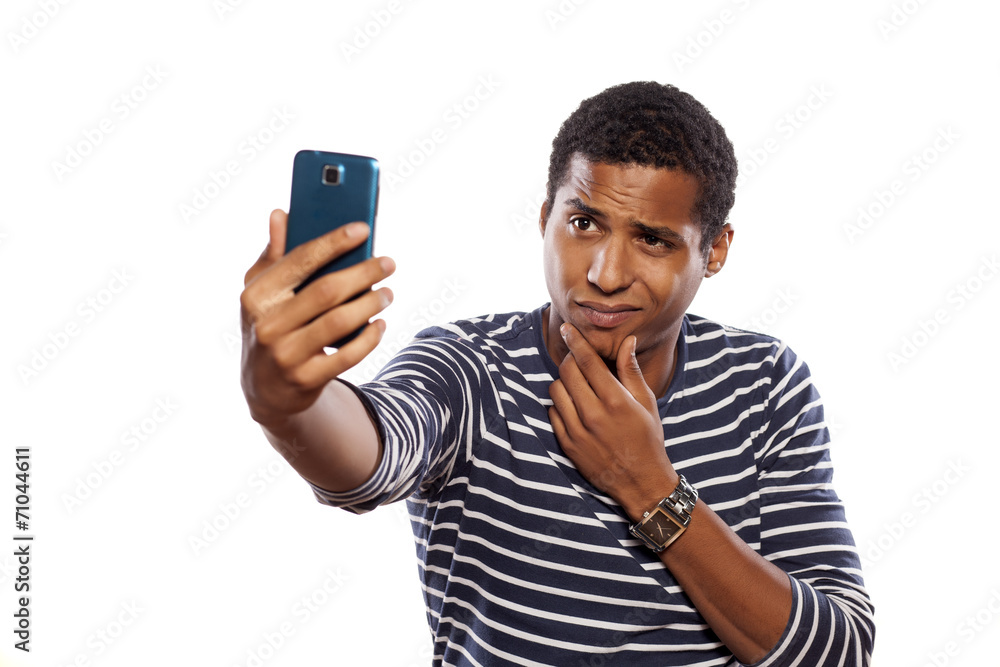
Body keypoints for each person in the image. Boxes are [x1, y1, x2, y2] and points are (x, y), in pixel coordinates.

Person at [239, 81, 875, 666]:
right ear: (546, 219)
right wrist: (288, 402)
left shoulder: (763, 382)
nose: (603, 272)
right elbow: (372, 457)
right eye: (584, 223)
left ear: (714, 251)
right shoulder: (472, 368)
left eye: (653, 239)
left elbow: (838, 651)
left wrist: (650, 489)